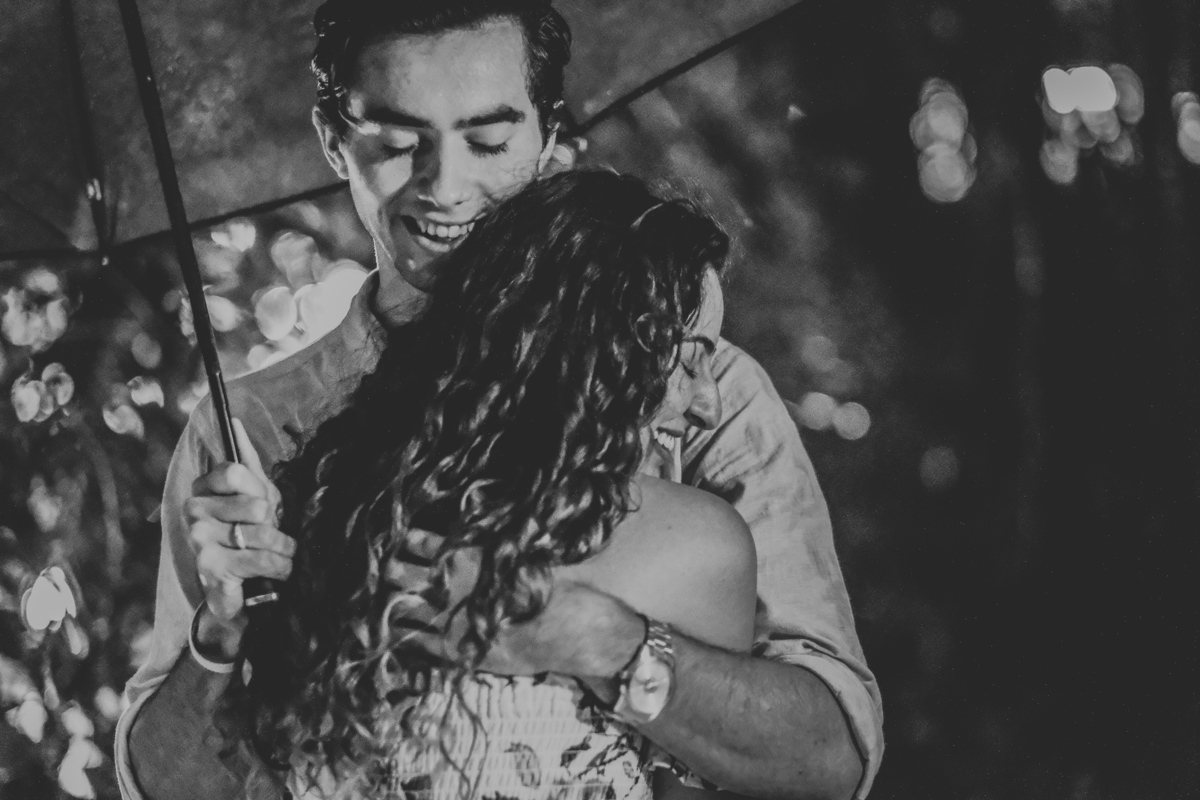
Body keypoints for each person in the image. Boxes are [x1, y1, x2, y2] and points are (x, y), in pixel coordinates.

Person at [116, 2, 882, 799]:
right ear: (334, 140)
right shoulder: (250, 429)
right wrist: (219, 634)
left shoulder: (700, 393)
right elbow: (167, 784)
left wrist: (603, 641)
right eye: (397, 143)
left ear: (550, 141)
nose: (445, 187)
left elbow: (828, 762)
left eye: (487, 142)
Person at [238, 169, 752, 799]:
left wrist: (598, 637)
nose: (707, 405)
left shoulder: (694, 544)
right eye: (691, 359)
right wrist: (222, 627)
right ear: (597, 345)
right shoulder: (340, 510)